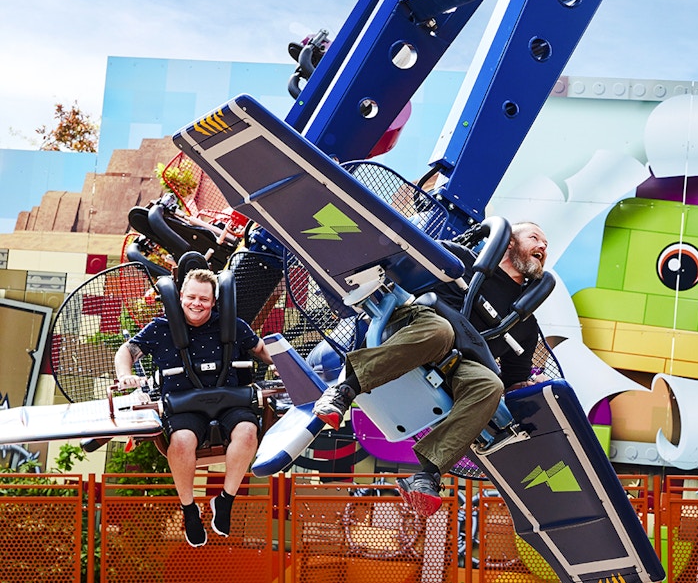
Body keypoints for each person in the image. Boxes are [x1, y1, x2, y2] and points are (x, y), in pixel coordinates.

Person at [311, 222, 549, 515]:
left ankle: (427, 475)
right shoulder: (463, 259)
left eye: (546, 246)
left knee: (489, 384)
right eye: (535, 238)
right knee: (442, 330)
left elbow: (513, 380)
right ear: (509, 243)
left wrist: (527, 390)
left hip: (457, 362)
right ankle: (344, 391)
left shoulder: (524, 322)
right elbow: (404, 264)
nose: (542, 248)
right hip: (418, 325)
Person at [114, 268, 273, 547]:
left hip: (230, 402)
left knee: (248, 433)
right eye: (191, 297)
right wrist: (125, 374)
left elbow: (261, 349)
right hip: (184, 407)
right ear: (180, 298)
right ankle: (189, 509)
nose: (196, 304)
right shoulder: (160, 328)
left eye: (204, 299)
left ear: (214, 301)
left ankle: (225, 501)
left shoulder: (233, 325)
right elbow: (126, 351)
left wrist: (284, 363)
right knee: (182, 442)